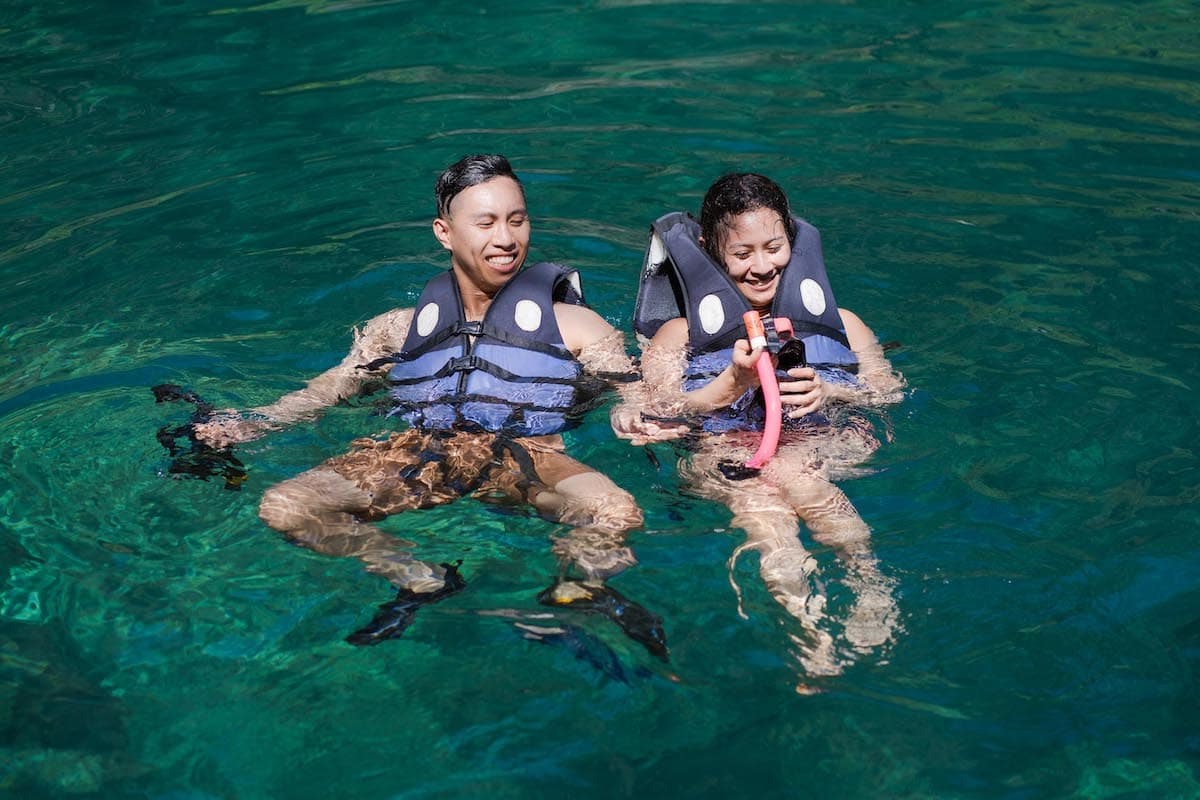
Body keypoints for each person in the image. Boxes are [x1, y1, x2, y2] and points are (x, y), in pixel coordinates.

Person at [196, 154, 665, 659]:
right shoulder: (396, 328)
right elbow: (325, 390)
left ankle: (572, 588)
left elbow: (634, 388)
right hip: (416, 454)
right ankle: (418, 576)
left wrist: (635, 411)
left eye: (517, 219)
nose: (506, 238)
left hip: (527, 457)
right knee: (287, 505)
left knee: (614, 510)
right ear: (444, 232)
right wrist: (257, 422)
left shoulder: (578, 326)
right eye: (485, 223)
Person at [613, 172, 904, 681]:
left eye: (774, 248)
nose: (762, 267)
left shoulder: (846, 324)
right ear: (709, 249)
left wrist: (830, 390)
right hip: (726, 453)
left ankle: (869, 589)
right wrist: (729, 384)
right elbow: (660, 408)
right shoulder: (677, 336)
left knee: (803, 477)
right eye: (743, 253)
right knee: (760, 501)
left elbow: (890, 392)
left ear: (791, 241)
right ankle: (807, 626)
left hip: (817, 444)